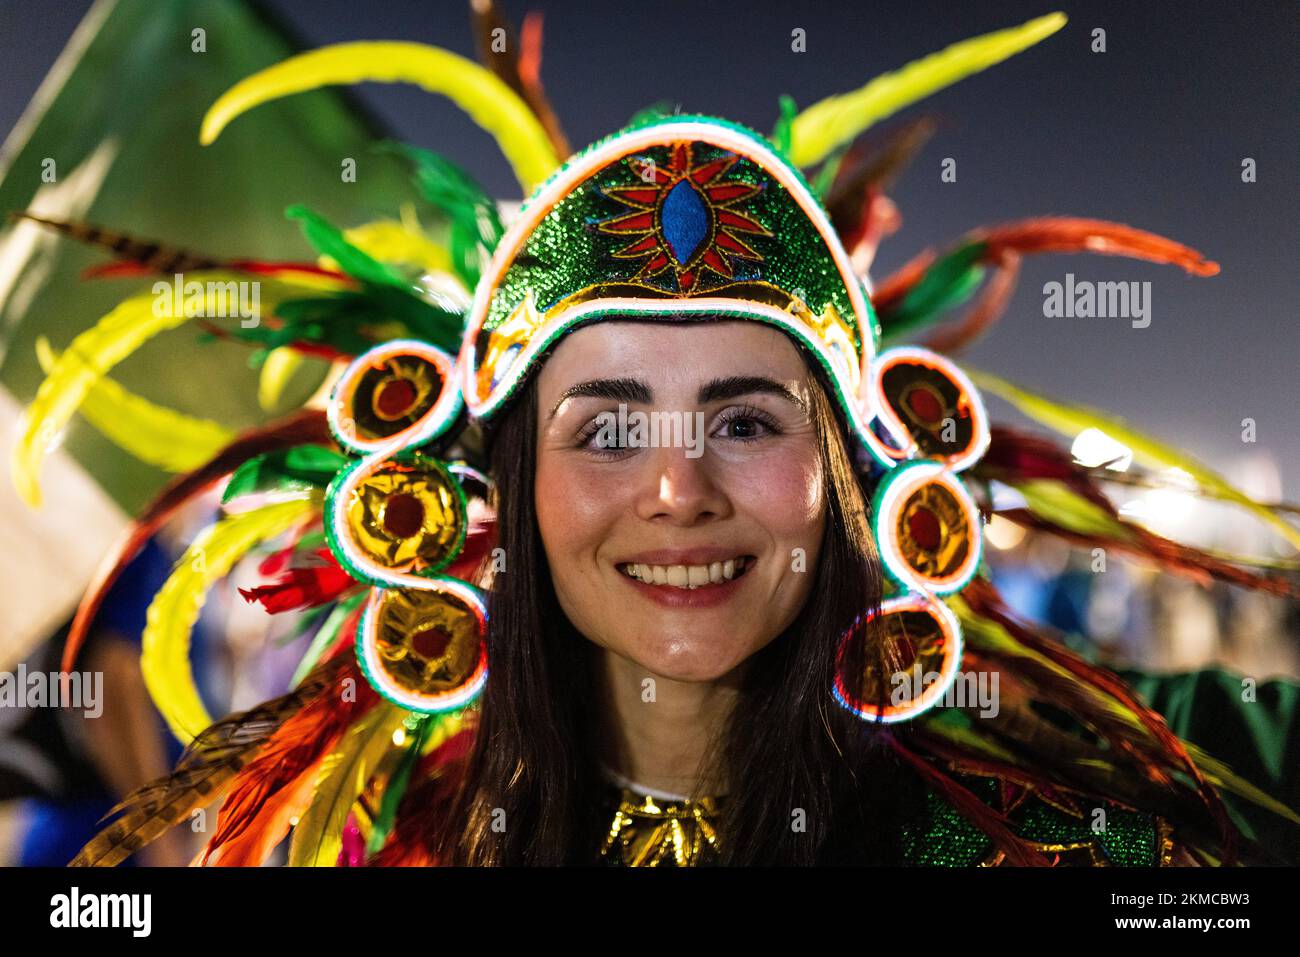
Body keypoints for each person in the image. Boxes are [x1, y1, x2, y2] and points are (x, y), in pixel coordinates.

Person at [15, 8, 1300, 867]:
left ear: (851, 476)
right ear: (504, 495)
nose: (678, 491)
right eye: (607, 428)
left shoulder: (1045, 828)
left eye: (745, 418)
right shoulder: (400, 846)